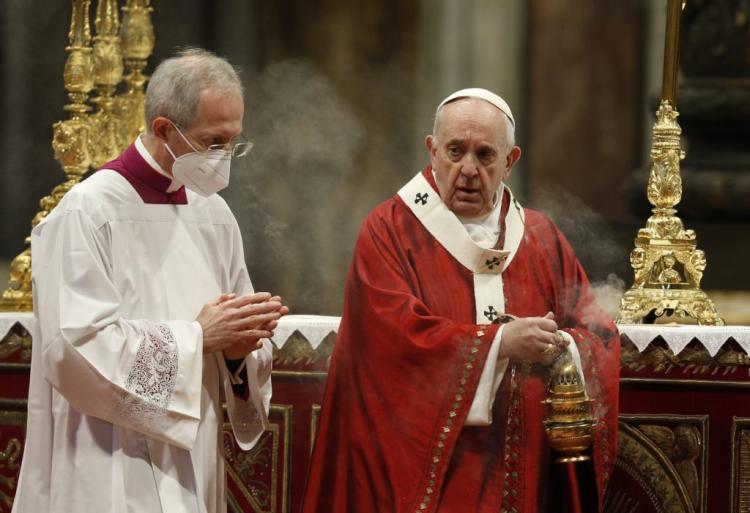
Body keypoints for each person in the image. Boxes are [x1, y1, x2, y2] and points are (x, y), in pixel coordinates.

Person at [302, 88, 619, 513]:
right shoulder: (390, 232)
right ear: (432, 150)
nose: (468, 169)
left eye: (485, 155)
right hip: (428, 480)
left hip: (525, 473)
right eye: (455, 151)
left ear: (510, 161)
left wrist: (562, 348)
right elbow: (389, 345)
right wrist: (499, 345)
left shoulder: (541, 238)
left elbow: (598, 333)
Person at [11, 48, 288, 513]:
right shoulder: (87, 212)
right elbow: (74, 348)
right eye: (212, 141)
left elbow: (231, 332)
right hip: (105, 455)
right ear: (164, 129)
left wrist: (240, 353)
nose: (224, 158)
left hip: (190, 453)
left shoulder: (212, 213)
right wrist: (197, 338)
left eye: (233, 142)